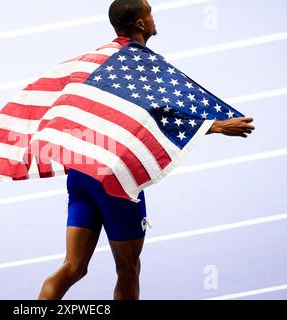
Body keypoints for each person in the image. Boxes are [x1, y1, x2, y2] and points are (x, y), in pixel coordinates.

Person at [37, 0, 255, 300]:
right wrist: (217, 125)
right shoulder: (143, 63)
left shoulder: (95, 59)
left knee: (73, 266)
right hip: (115, 178)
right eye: (149, 13)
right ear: (140, 24)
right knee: (128, 269)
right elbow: (168, 112)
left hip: (82, 171)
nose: (153, 18)